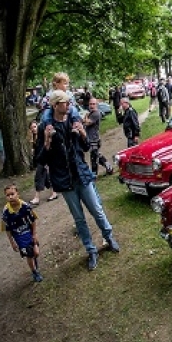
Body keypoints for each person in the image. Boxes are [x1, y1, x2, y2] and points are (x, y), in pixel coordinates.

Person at [35, 90, 119, 271]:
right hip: (65, 181)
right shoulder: (45, 127)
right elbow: (40, 160)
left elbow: (86, 147)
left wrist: (82, 134)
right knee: (79, 219)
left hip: (82, 174)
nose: (69, 105)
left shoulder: (74, 121)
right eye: (66, 103)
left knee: (97, 210)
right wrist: (47, 143)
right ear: (56, 105)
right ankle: (91, 251)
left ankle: (109, 237)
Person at [1, 184, 42, 283]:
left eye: (12, 194)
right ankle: (34, 272)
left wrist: (34, 234)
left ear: (17, 194)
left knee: (36, 252)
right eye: (8, 195)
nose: (10, 197)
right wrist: (12, 242)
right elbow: (7, 229)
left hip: (29, 233)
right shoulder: (6, 212)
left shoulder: (25, 206)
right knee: (29, 254)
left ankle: (33, 259)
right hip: (19, 237)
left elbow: (33, 220)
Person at [27, 121, 57, 205]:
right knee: (46, 177)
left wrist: (48, 160)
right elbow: (34, 150)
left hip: (45, 159)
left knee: (38, 176)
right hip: (39, 159)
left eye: (35, 126)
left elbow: (47, 147)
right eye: (31, 128)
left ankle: (37, 197)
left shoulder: (43, 136)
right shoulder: (34, 138)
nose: (33, 129)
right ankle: (54, 192)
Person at [84, 98, 113, 176]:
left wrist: (85, 116)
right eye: (90, 104)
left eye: (94, 104)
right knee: (97, 156)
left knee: (94, 158)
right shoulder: (91, 113)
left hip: (94, 139)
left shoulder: (96, 113)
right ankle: (109, 168)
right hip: (93, 138)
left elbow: (86, 123)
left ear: (96, 105)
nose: (92, 106)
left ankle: (94, 175)